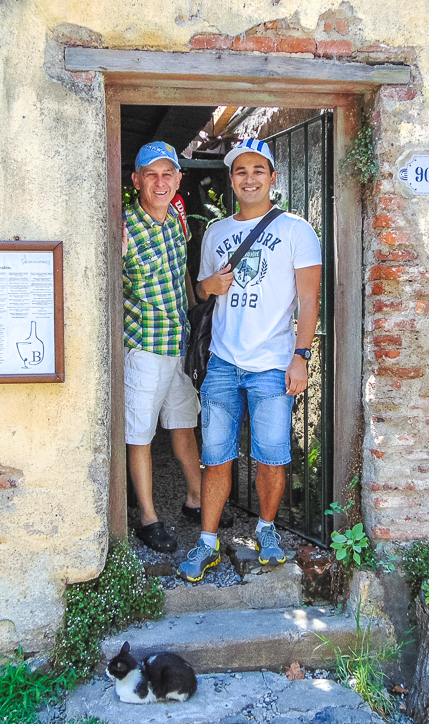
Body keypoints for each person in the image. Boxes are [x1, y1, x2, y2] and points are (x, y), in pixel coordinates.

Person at [178, 138, 321, 582]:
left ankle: (266, 529)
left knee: (271, 456)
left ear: (273, 178)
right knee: (215, 456)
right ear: (232, 179)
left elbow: (309, 297)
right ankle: (207, 542)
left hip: (273, 362)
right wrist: (209, 288)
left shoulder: (296, 230)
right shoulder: (218, 232)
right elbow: (202, 290)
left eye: (258, 170)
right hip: (222, 360)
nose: (249, 178)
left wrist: (300, 355)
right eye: (241, 171)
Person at [122, 141, 231, 554]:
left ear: (179, 179)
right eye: (151, 174)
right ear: (136, 181)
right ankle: (148, 518)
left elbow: (180, 273)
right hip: (144, 348)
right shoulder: (124, 227)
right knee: (140, 436)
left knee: (184, 425)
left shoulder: (177, 222)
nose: (161, 181)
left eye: (168, 173)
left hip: (177, 343)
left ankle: (195, 500)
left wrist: (194, 302)